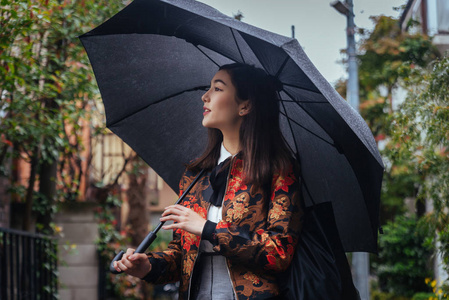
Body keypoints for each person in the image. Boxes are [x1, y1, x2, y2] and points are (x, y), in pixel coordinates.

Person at [113, 63, 303, 299]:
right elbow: (181, 256)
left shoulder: (277, 170)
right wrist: (147, 266)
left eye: (218, 89)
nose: (205, 97)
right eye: (208, 89)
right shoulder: (196, 174)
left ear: (245, 105)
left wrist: (208, 229)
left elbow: (279, 252)